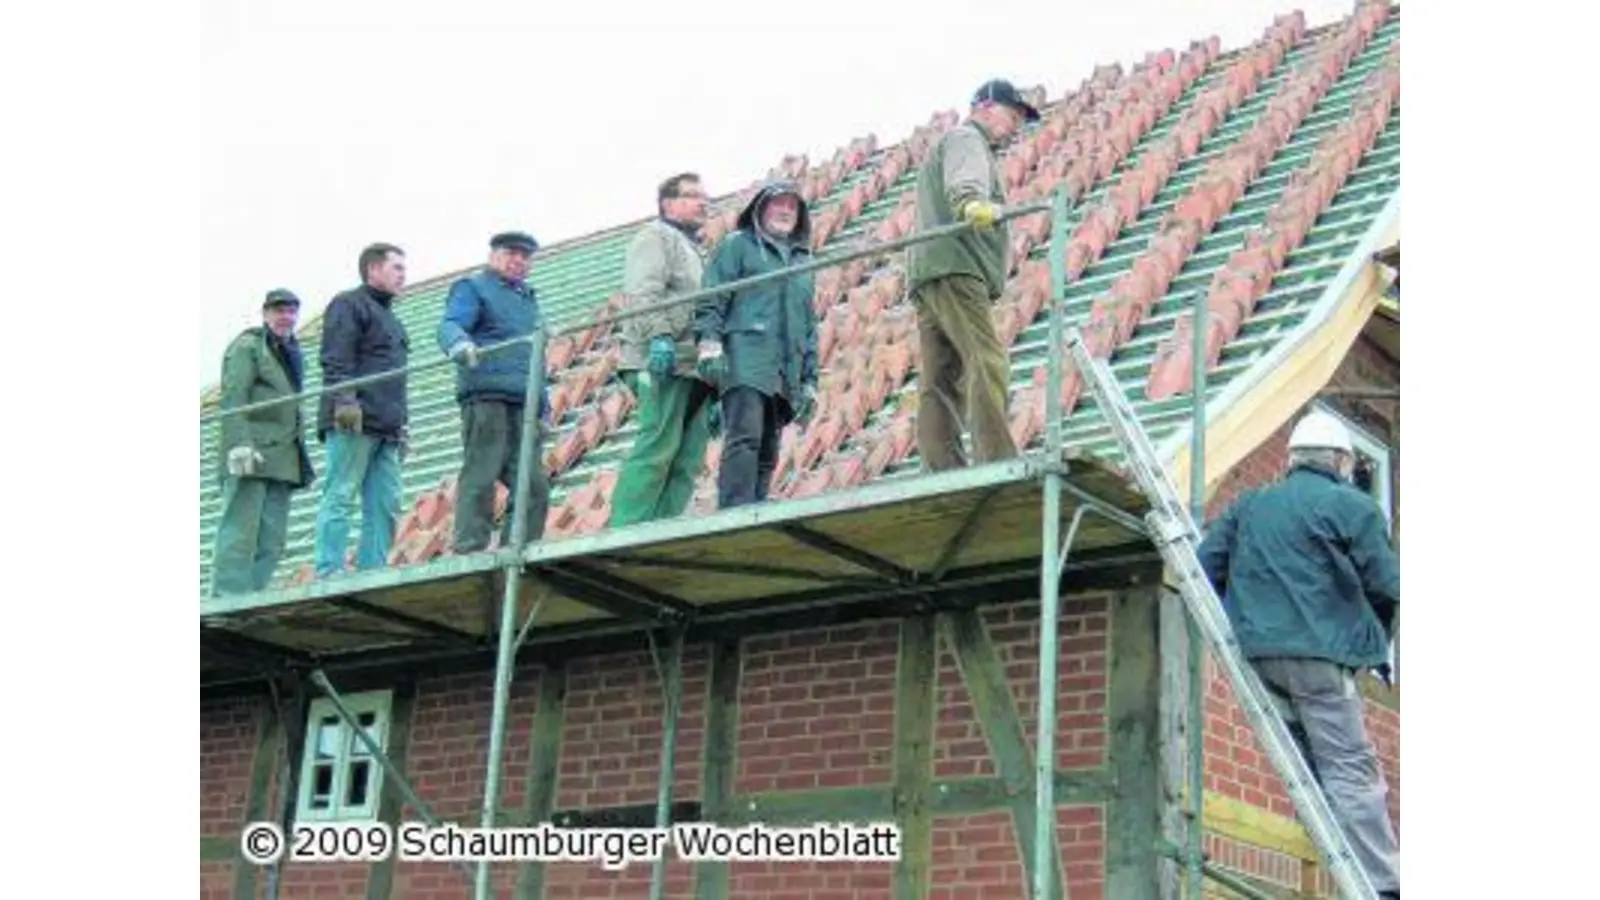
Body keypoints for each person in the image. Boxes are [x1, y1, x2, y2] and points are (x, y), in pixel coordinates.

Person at [1197, 409, 1402, 899]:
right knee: (1351, 771)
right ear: (1341, 462)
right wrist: (1373, 643)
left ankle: (1334, 862)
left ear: (1291, 460)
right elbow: (1387, 587)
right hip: (1321, 662)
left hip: (1260, 660)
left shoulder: (1250, 505)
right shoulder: (1352, 506)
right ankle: (1382, 886)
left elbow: (1205, 566)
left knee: (1309, 768)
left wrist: (1249, 618)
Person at [905, 78, 1039, 472]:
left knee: (941, 374)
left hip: (930, 270)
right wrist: (972, 203)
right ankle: (996, 459)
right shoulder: (968, 138)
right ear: (985, 106)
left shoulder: (955, 142)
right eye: (1012, 115)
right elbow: (966, 183)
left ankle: (940, 465)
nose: (1015, 127)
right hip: (957, 265)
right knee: (987, 360)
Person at [694, 181, 819, 508]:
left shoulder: (803, 262)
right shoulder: (738, 245)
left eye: (792, 206)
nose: (785, 211)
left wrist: (810, 380)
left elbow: (808, 324)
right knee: (745, 435)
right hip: (745, 355)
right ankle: (735, 508)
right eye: (778, 204)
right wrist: (709, 341)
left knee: (768, 446)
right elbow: (713, 295)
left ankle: (755, 505)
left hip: (785, 366)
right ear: (761, 209)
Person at [609, 172, 715, 527]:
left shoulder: (696, 250)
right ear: (668, 204)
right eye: (692, 196)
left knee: (688, 457)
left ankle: (662, 527)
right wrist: (659, 335)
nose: (703, 203)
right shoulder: (656, 237)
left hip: (692, 364)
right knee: (658, 446)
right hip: (659, 358)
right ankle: (627, 530)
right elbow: (643, 291)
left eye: (704, 197)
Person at [437, 231, 553, 553]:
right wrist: (459, 344)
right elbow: (450, 325)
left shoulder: (529, 301)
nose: (519, 261)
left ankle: (519, 547)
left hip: (523, 401)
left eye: (525, 256)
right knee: (482, 473)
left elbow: (536, 358)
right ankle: (470, 548)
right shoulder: (473, 287)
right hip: (487, 395)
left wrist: (543, 405)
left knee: (534, 484)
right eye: (511, 253)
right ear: (493, 256)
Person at [312, 243, 410, 577]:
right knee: (341, 493)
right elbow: (336, 356)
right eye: (397, 267)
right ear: (373, 270)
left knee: (385, 503)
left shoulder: (393, 320)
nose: (403, 275)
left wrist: (403, 425)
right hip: (355, 419)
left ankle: (373, 569)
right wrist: (345, 400)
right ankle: (330, 568)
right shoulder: (349, 304)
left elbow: (398, 379)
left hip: (386, 426)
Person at [210, 289, 316, 596]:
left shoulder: (293, 352)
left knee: (272, 540)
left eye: (292, 311)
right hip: (252, 453)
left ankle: (250, 596)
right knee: (240, 532)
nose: (287, 317)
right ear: (265, 314)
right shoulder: (248, 347)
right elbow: (234, 396)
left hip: (283, 457)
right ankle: (228, 599)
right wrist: (239, 443)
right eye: (279, 311)